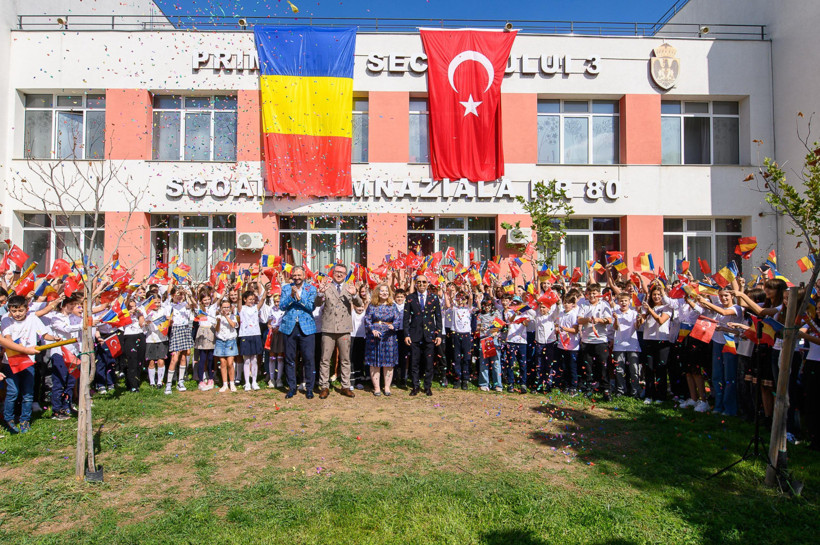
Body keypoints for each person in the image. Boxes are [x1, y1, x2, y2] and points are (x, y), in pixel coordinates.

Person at [1, 295, 59, 433]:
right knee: (13, 391)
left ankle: (25, 419)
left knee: (28, 392)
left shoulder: (33, 318)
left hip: (28, 361)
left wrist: (54, 338)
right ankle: (8, 418)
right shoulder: (5, 320)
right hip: (11, 361)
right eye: (14, 311)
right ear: (9, 310)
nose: (17, 314)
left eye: (20, 310)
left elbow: (44, 334)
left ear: (27, 309)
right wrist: (22, 348)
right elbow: (7, 338)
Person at [315, 264, 361, 399]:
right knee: (325, 359)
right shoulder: (327, 286)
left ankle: (345, 386)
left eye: (342, 272)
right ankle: (324, 386)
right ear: (332, 273)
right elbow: (317, 304)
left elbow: (358, 304)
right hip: (328, 328)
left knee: (345, 359)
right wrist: (320, 293)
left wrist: (355, 294)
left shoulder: (349, 287)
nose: (339, 274)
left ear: (346, 274)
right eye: (337, 272)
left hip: (344, 328)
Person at [279, 266, 318, 399]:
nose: (296, 278)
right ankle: (291, 387)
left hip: (307, 328)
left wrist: (299, 297)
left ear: (304, 275)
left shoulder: (311, 288)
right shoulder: (285, 288)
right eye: (294, 275)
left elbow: (311, 307)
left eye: (299, 275)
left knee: (308, 358)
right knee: (290, 358)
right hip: (289, 327)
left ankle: (309, 388)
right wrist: (291, 296)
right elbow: (282, 306)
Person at [403, 275, 443, 396]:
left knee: (429, 362)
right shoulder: (410, 298)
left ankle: (427, 386)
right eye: (419, 282)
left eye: (424, 282)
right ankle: (415, 386)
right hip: (414, 334)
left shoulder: (434, 298)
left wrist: (439, 334)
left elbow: (438, 318)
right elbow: (405, 318)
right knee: (415, 362)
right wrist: (406, 334)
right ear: (415, 284)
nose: (421, 284)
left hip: (429, 335)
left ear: (427, 283)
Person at [364, 283, 402, 396]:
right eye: (382, 291)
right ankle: (376, 388)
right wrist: (372, 330)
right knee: (374, 362)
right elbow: (367, 319)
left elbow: (398, 319)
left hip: (389, 336)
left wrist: (394, 326)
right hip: (374, 336)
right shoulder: (372, 305)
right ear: (377, 293)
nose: (384, 293)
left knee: (389, 363)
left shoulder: (393, 306)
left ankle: (387, 387)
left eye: (386, 291)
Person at [612, 292, 642, 398]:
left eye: (626, 300)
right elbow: (615, 327)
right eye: (621, 301)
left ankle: (635, 390)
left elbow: (637, 327)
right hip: (619, 345)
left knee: (634, 369)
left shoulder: (634, 313)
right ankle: (620, 390)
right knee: (619, 370)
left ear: (629, 302)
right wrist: (616, 319)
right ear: (618, 302)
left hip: (632, 345)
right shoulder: (615, 312)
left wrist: (639, 320)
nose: (623, 303)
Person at [238, 284, 266, 391]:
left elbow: (263, 299)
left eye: (253, 299)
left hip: (255, 335)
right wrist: (241, 289)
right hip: (245, 335)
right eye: (250, 299)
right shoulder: (242, 309)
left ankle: (254, 381)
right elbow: (239, 300)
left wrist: (266, 290)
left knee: (254, 359)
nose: (252, 301)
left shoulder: (255, 308)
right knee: (246, 360)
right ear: (245, 299)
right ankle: (247, 383)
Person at [214, 300, 238, 393]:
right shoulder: (217, 317)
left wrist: (226, 316)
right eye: (224, 307)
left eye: (228, 307)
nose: (226, 309)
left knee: (230, 363)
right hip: (220, 341)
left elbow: (233, 325)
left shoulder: (233, 316)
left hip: (230, 341)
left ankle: (232, 383)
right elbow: (217, 329)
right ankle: (224, 383)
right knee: (223, 363)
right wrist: (219, 321)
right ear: (220, 308)